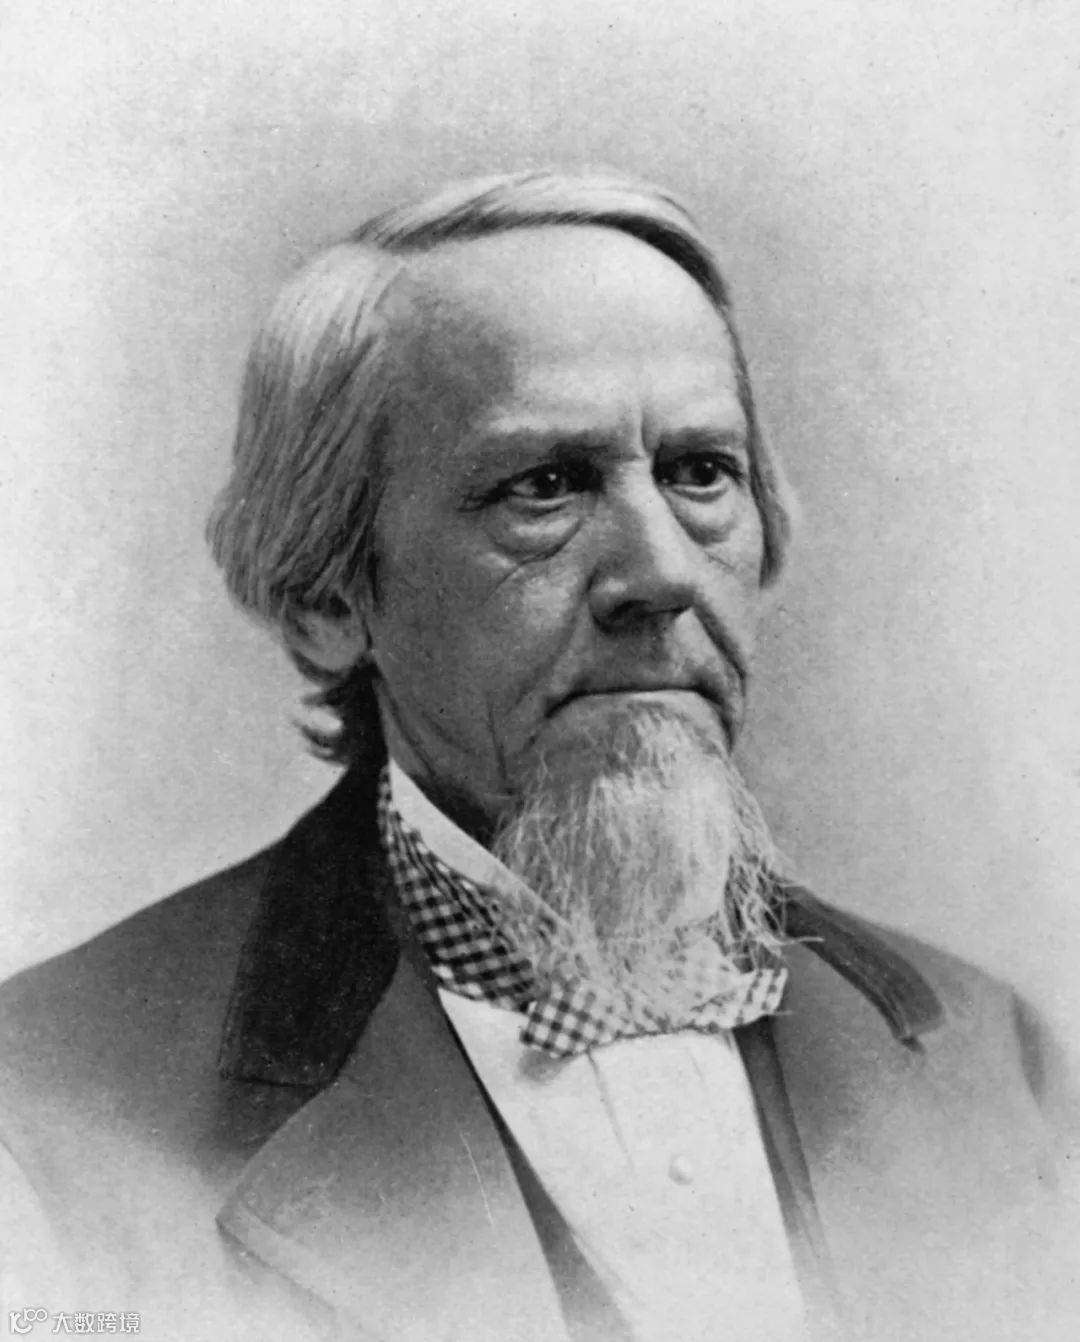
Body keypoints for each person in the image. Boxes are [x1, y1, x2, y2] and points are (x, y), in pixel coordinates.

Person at [0, 171, 1072, 1342]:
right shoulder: (56, 1111)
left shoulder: (995, 1059)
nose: (660, 572)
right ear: (326, 600)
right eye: (544, 488)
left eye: (700, 472)